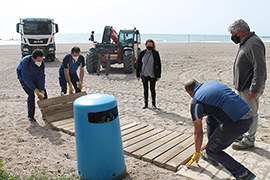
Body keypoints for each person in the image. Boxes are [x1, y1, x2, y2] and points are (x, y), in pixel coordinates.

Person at [185, 79, 256, 180]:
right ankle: (211, 156)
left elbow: (198, 133)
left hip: (238, 123)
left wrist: (197, 152)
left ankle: (243, 173)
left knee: (211, 150)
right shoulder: (212, 82)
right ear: (199, 83)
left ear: (189, 93)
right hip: (248, 114)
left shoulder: (196, 103)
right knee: (210, 119)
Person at [228, 19, 267, 150]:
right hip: (242, 86)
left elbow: (259, 67)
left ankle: (249, 140)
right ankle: (243, 134)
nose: (232, 36)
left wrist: (255, 88)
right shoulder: (246, 42)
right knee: (242, 113)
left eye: (233, 33)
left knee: (251, 113)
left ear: (240, 31)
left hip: (249, 88)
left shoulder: (253, 43)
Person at [17, 49, 47, 122]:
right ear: (33, 58)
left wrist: (41, 89)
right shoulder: (25, 62)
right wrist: (35, 90)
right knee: (31, 95)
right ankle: (31, 116)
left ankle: (46, 114)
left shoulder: (42, 63)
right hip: (24, 79)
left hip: (35, 77)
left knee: (44, 95)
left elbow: (41, 77)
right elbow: (26, 78)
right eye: (38, 60)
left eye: (41, 60)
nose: (40, 62)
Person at [136, 38, 161, 109]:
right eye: (148, 44)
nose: (149, 45)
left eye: (151, 45)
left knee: (152, 89)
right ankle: (146, 104)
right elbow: (138, 64)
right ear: (145, 44)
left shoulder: (155, 53)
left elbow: (159, 65)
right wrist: (138, 74)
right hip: (144, 74)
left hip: (153, 74)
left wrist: (158, 75)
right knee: (145, 89)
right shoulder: (142, 53)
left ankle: (154, 104)